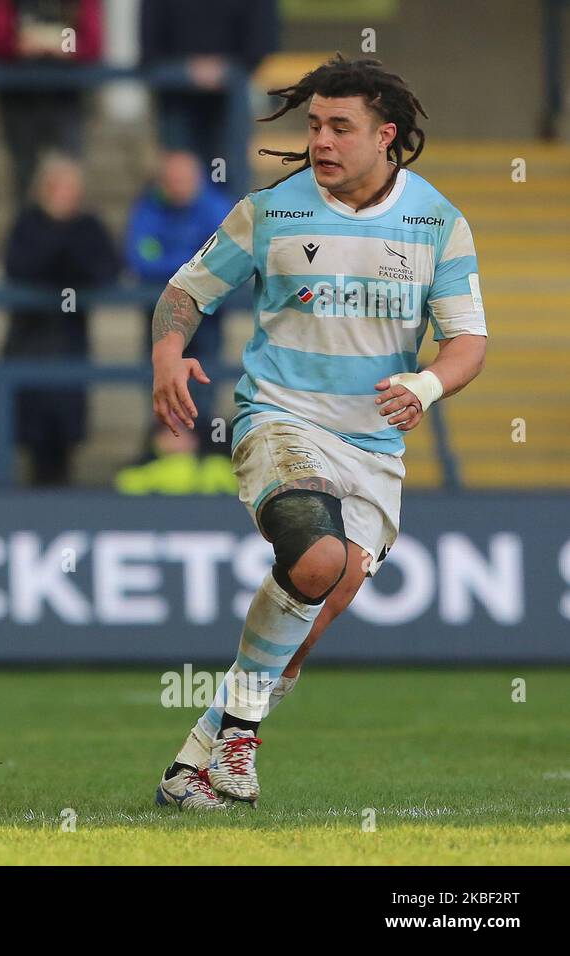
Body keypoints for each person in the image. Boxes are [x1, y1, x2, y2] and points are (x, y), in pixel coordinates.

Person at [148, 56, 488, 810]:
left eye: (340, 127)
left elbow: (467, 343)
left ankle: (192, 763)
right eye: (314, 125)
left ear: (386, 136)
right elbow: (184, 290)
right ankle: (241, 737)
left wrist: (426, 383)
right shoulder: (272, 210)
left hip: (374, 447)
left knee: (314, 614)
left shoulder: (439, 222)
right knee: (316, 556)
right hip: (281, 416)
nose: (322, 141)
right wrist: (168, 353)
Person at [1, 153, 118, 485]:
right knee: (34, 434)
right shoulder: (28, 224)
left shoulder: (87, 227)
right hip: (29, 342)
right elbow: (22, 267)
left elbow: (103, 269)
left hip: (70, 342)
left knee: (65, 432)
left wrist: (63, 256)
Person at [123, 150, 234, 467]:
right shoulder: (148, 207)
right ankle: (165, 447)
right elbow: (140, 258)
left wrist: (173, 266)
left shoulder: (216, 207)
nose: (176, 187)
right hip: (159, 315)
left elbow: (222, 260)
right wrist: (190, 262)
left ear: (198, 180)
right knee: (160, 381)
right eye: (170, 180)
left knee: (204, 383)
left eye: (183, 179)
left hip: (207, 317)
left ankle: (200, 449)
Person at [139, 0, 278, 196]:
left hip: (228, 100)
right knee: (178, 175)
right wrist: (184, 69)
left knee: (221, 172)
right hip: (176, 98)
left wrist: (227, 67)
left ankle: (224, 222)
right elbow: (149, 43)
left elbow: (262, 37)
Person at [0, 0, 103, 204]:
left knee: (69, 178)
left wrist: (63, 46)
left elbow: (92, 43)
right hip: (20, 95)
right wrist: (17, 45)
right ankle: (27, 233)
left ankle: (68, 233)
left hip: (66, 95)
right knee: (25, 178)